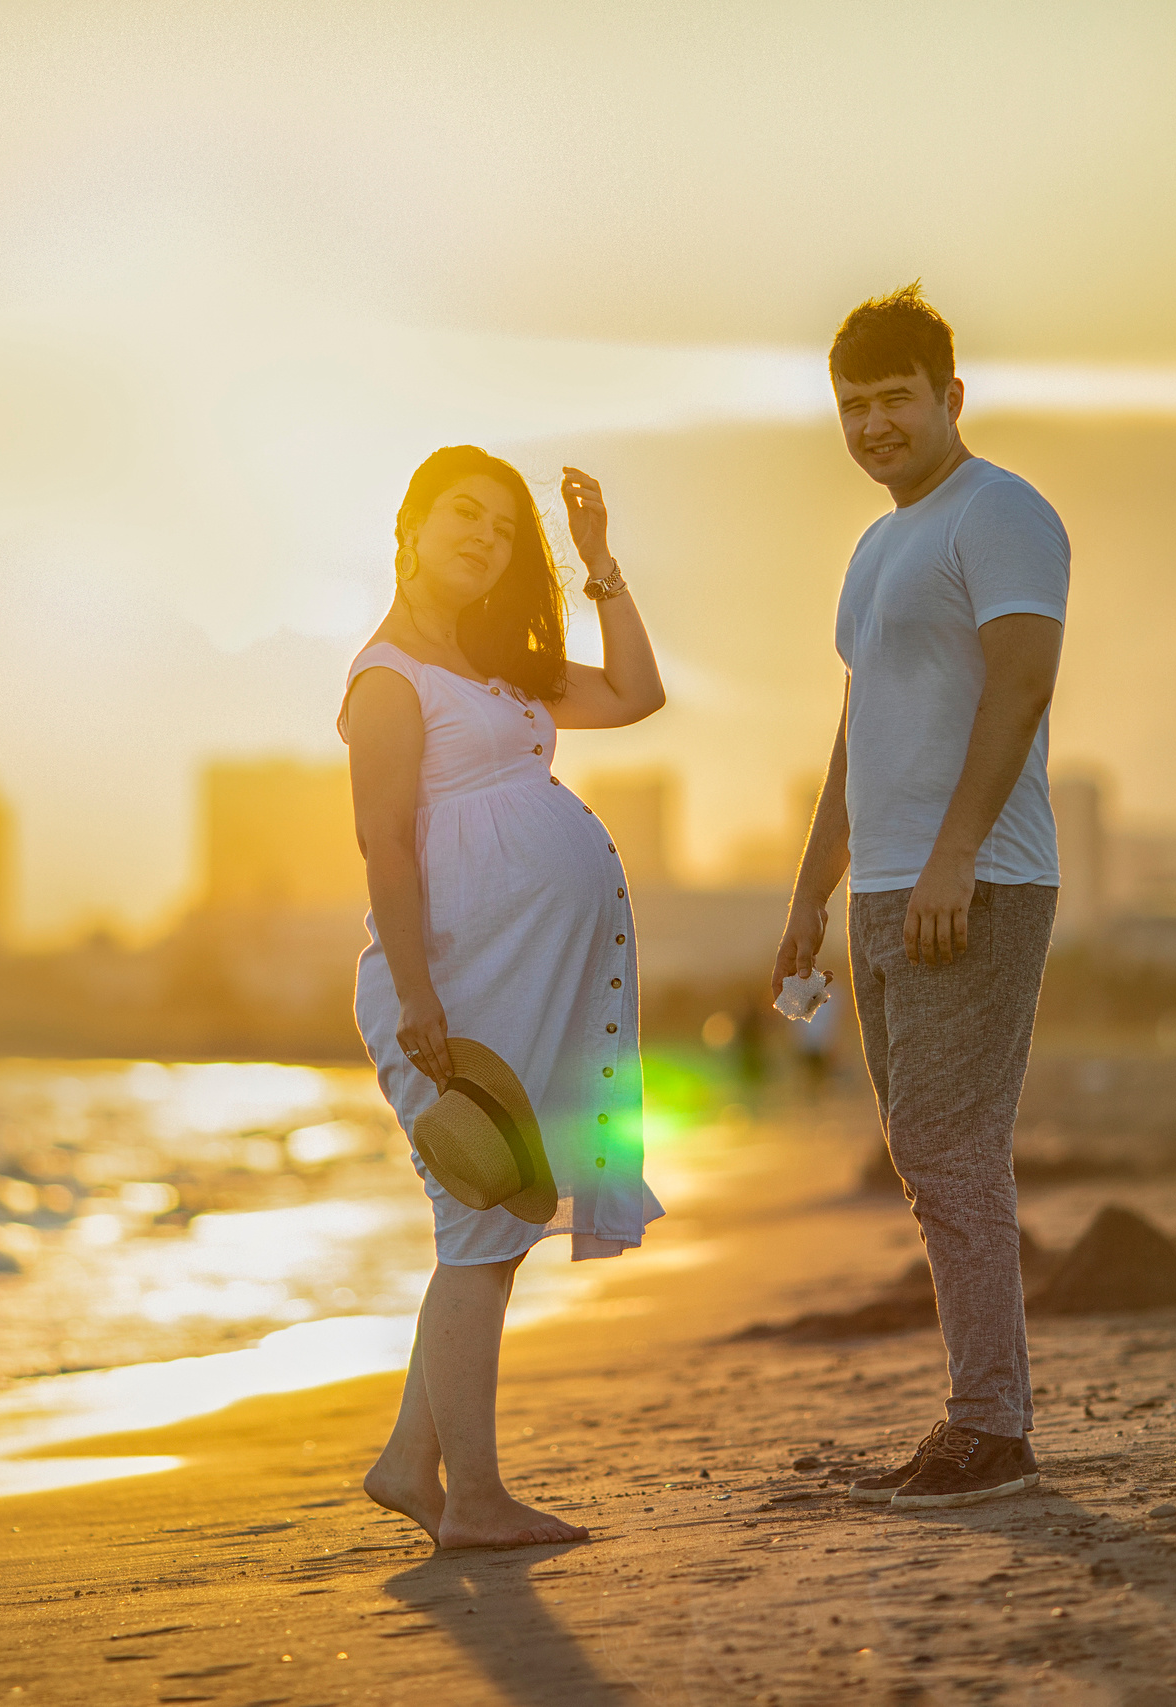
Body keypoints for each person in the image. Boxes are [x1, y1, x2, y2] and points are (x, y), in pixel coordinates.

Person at [770, 284, 1069, 1510]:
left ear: (950, 397)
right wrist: (808, 893)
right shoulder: (876, 544)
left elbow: (1021, 684)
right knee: (925, 1152)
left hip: (975, 883)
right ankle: (980, 1415)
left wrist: (954, 856)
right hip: (884, 889)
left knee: (950, 1149)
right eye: (853, 405)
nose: (874, 423)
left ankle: (989, 1430)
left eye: (895, 398)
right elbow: (860, 727)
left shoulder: (999, 513)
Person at [344, 445, 668, 1548]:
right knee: (479, 1224)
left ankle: (407, 1463)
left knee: (490, 1222)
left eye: (502, 527)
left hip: (517, 975)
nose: (484, 540)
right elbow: (383, 844)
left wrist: (598, 565)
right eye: (463, 518)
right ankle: (472, 1500)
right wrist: (421, 1000)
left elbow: (636, 693)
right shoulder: (387, 678)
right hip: (451, 987)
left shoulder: (500, 665)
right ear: (411, 530)